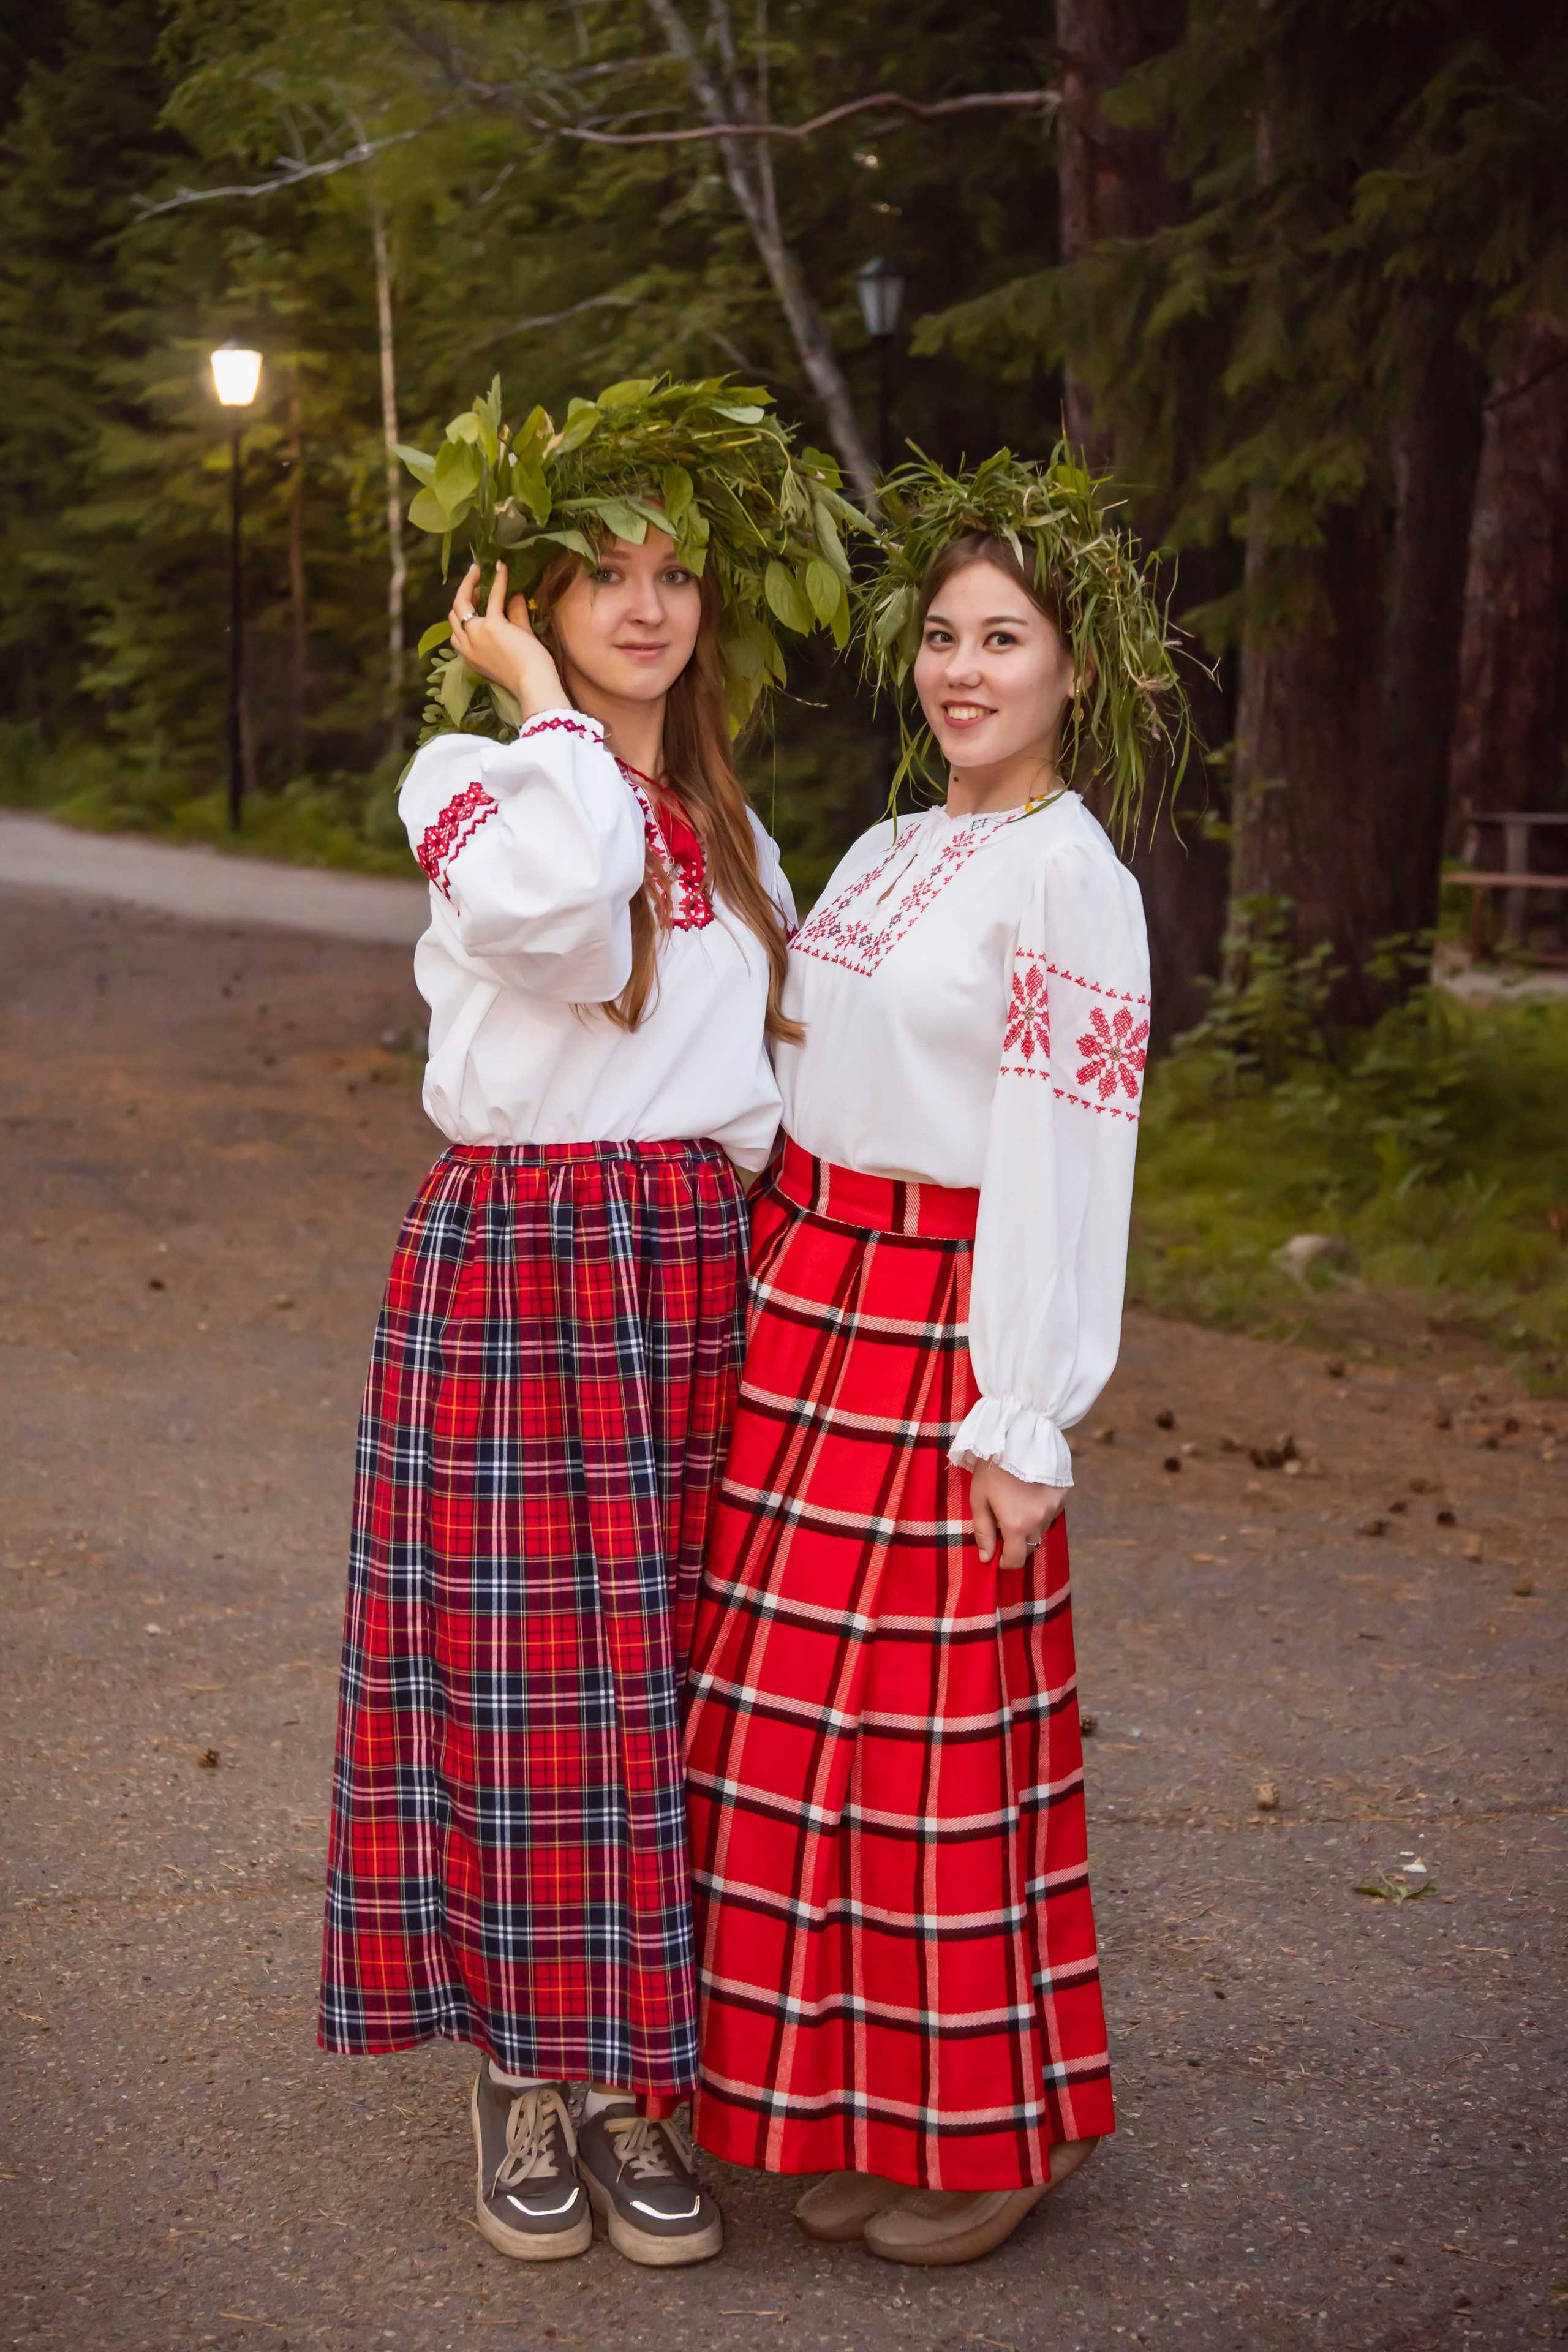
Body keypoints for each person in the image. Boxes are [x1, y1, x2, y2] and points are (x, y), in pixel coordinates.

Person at [318, 378, 860, 2270]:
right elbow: (556, 925)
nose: (646, 606)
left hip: (703, 1258)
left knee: (671, 1692)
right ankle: (524, 2077)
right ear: (528, 604)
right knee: (530, 1688)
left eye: (670, 574)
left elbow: (786, 1069)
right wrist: (548, 721)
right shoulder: (471, 786)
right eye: (600, 576)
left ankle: (636, 2077)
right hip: (527, 1254)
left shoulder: (739, 828)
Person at [684, 450, 1188, 2266]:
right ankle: (853, 2111)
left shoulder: (1073, 880)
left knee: (936, 1745)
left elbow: (1067, 1148)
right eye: (948, 637)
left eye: (1007, 638)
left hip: (934, 1327)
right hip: (806, 1309)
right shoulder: (897, 846)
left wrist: (1023, 1412)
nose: (964, 670)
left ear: (1073, 665)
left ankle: (992, 2136)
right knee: (790, 1743)